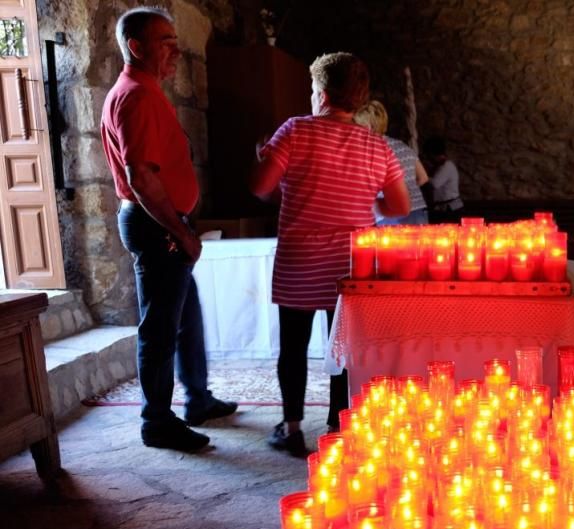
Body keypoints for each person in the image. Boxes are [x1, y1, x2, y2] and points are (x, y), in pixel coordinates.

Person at [250, 53, 409, 457]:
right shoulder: (376, 146)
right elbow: (399, 207)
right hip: (349, 263)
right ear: (358, 98)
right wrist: (366, 207)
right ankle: (339, 425)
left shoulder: (295, 131)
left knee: (294, 347)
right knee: (343, 347)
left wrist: (263, 157)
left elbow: (260, 187)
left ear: (320, 94)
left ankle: (292, 428)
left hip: (300, 260)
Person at [101, 7, 237, 452]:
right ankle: (156, 420)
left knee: (184, 316)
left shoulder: (144, 90)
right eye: (166, 40)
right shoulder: (137, 96)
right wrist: (181, 232)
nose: (176, 49)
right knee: (159, 328)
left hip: (164, 223)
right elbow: (141, 177)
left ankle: (196, 398)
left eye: (176, 39)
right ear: (136, 46)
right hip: (157, 224)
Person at [354, 101, 429, 225]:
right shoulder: (402, 145)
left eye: (357, 125)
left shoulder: (372, 149)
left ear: (367, 126)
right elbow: (423, 178)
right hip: (418, 210)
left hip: (391, 214)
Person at [424, 136, 463, 221]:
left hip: (451, 210)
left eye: (428, 154)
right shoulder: (438, 167)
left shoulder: (447, 166)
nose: (428, 157)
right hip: (442, 209)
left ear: (432, 153)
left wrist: (422, 174)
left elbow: (435, 184)